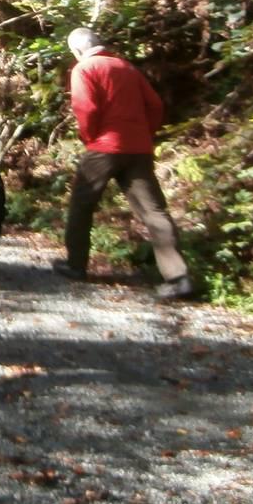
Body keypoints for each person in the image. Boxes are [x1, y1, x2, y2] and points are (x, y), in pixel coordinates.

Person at [55, 27, 194, 300]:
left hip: (103, 148)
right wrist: (146, 132)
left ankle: (76, 265)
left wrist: (90, 136)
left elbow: (87, 108)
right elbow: (154, 104)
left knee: (82, 205)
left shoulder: (84, 69)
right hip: (139, 147)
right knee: (154, 211)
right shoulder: (126, 66)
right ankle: (179, 277)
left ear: (76, 51)